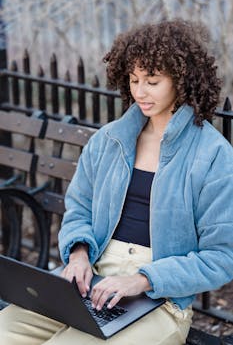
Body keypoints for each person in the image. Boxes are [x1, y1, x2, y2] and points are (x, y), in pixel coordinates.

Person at [1, 19, 233, 345]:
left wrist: (141, 280)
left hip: (160, 300)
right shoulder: (109, 140)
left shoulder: (213, 155)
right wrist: (79, 254)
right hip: (91, 282)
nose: (139, 91)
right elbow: (79, 209)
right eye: (134, 79)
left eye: (152, 81)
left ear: (182, 80)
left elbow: (222, 257)